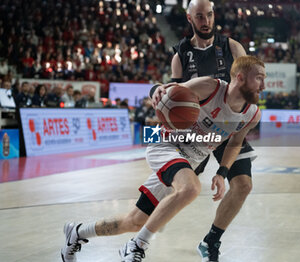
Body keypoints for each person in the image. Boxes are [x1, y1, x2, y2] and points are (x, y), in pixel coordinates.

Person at [61, 55, 266, 262]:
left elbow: (234, 143)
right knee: (191, 188)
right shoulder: (209, 87)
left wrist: (222, 173)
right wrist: (156, 91)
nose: (264, 85)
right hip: (165, 144)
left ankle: (77, 232)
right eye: (259, 78)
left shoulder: (252, 114)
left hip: (189, 161)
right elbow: (166, 93)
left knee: (134, 221)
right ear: (240, 78)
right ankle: (137, 245)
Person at [171, 1, 258, 260]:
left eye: (209, 15)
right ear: (190, 18)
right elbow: (176, 99)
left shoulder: (232, 47)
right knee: (174, 188)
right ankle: (141, 229)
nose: (206, 21)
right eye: (199, 16)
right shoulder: (180, 54)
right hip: (197, 131)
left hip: (229, 129)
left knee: (243, 185)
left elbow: (248, 83)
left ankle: (211, 241)